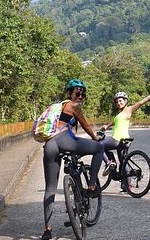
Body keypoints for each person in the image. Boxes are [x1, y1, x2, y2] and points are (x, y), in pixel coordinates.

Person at [40, 79, 104, 240]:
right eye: (77, 92)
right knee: (99, 148)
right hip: (64, 140)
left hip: (50, 145)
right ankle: (91, 185)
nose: (80, 96)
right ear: (70, 93)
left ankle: (47, 229)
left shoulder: (58, 107)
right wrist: (95, 139)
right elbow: (87, 127)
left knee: (50, 189)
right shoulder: (74, 106)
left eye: (83, 93)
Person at [99, 86, 150, 175]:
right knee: (124, 162)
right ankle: (127, 186)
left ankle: (109, 162)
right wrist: (107, 126)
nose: (118, 103)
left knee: (99, 145)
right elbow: (115, 121)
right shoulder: (120, 114)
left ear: (125, 101)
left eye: (120, 101)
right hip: (124, 141)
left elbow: (140, 103)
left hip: (117, 139)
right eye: (117, 102)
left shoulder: (129, 110)